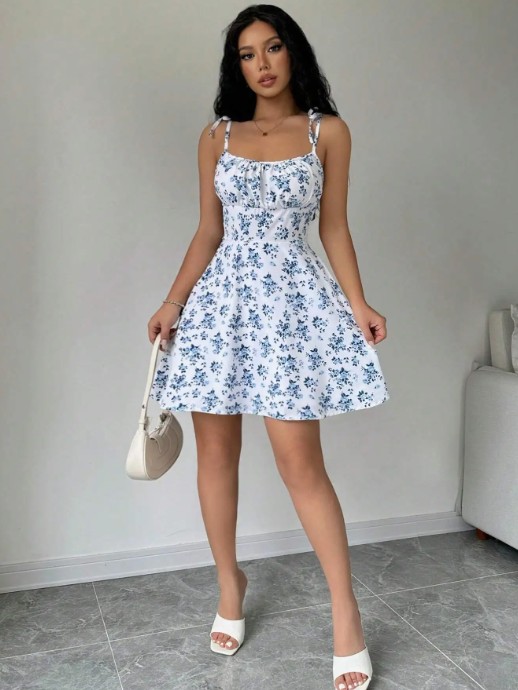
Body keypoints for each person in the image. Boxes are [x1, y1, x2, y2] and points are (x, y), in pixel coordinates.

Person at [147, 5, 390, 689]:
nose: (262, 64)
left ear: (293, 53)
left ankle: (346, 612)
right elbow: (209, 231)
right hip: (218, 307)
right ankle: (230, 585)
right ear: (237, 66)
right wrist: (172, 302)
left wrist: (358, 302)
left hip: (289, 309)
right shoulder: (216, 136)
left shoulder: (326, 131)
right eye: (248, 54)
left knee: (300, 464)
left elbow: (334, 227)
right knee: (215, 456)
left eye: (273, 47)